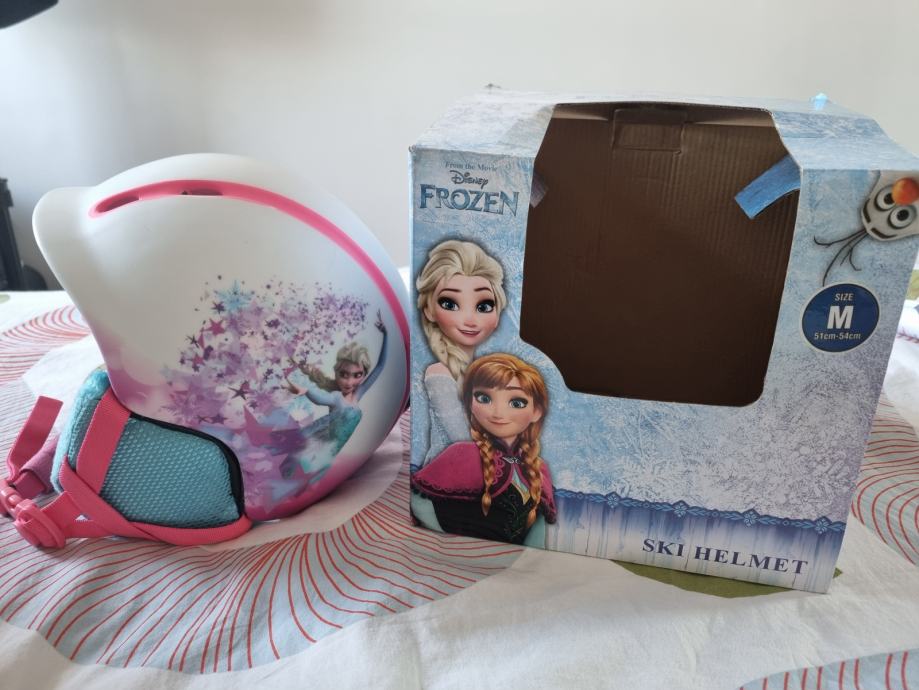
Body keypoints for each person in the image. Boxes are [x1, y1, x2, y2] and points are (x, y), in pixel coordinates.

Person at [411, 353, 556, 547]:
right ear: (471, 403)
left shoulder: (538, 468)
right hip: (455, 551)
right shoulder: (461, 453)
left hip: (510, 559)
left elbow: (538, 527)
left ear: (536, 412)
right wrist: (445, 540)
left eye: (516, 403)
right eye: (484, 398)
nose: (498, 413)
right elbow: (418, 500)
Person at [272, 311, 388, 495]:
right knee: (296, 477)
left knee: (307, 483)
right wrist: (306, 391)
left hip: (330, 452)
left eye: (357, 375)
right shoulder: (336, 397)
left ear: (363, 375)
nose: (349, 382)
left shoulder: (359, 393)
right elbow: (320, 399)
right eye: (344, 375)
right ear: (336, 373)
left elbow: (380, 367)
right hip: (319, 446)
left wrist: (386, 335)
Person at [415, 239, 506, 468]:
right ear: (429, 310)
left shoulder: (482, 372)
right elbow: (460, 439)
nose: (470, 320)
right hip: (446, 475)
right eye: (450, 303)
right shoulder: (439, 373)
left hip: (480, 471)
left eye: (484, 306)